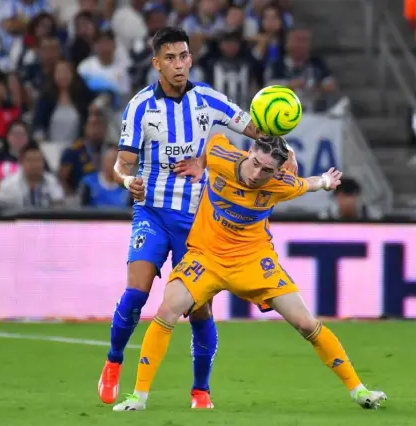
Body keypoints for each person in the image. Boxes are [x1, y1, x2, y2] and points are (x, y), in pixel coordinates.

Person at [98, 26, 298, 410]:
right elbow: (120, 165)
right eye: (170, 58)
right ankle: (113, 360)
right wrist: (129, 181)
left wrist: (283, 146)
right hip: (152, 212)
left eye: (184, 56)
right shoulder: (140, 106)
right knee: (136, 293)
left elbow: (256, 128)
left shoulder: (208, 100)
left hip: (196, 222)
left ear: (191, 58)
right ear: (156, 63)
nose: (179, 65)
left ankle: (200, 390)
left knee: (198, 308)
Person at [112, 134, 388, 411]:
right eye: (255, 163)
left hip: (253, 261)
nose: (257, 174)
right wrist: (200, 164)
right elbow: (212, 141)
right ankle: (139, 397)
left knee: (306, 323)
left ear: (277, 172)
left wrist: (327, 181)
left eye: (267, 170)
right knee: (166, 311)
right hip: (205, 257)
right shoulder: (222, 156)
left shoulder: (281, 184)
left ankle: (359, 390)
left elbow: (309, 184)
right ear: (249, 152)